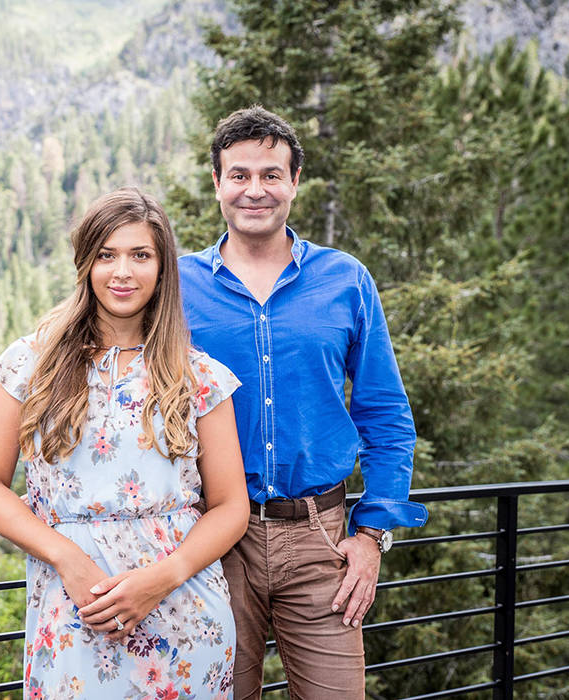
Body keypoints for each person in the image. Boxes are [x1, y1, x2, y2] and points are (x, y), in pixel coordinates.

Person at [178, 106, 428, 699]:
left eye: (271, 174)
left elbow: (386, 415)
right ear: (217, 184)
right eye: (239, 175)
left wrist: (371, 536)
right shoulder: (178, 284)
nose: (254, 190)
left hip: (319, 539)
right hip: (210, 536)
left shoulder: (345, 279)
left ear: (294, 183)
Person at [0, 187, 250, 699]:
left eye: (141, 255)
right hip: (73, 609)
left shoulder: (199, 376)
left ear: (163, 268)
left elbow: (231, 507)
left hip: (183, 614)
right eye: (106, 255)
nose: (123, 272)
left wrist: (163, 578)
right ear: (85, 264)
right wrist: (67, 559)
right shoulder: (30, 364)